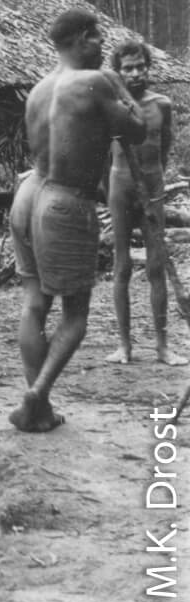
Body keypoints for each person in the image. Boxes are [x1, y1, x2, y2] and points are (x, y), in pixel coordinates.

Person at [8, 9, 146, 432]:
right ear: (83, 39)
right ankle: (37, 394)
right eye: (99, 39)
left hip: (28, 193)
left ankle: (40, 409)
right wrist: (120, 82)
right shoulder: (96, 81)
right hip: (65, 200)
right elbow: (136, 129)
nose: (103, 46)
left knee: (34, 304)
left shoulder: (38, 89)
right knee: (75, 315)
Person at [105, 39, 187, 366]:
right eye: (128, 68)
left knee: (156, 266)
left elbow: (164, 147)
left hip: (152, 188)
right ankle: (124, 346)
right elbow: (101, 153)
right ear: (119, 72)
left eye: (141, 67)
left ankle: (163, 347)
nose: (136, 73)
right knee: (122, 265)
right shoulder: (111, 106)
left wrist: (156, 186)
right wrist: (110, 186)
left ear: (149, 68)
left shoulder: (162, 104)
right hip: (119, 187)